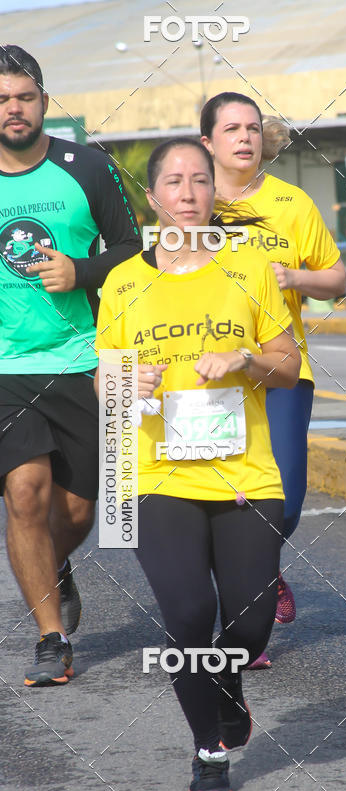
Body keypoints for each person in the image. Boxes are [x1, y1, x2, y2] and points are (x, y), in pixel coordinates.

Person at [95, 137, 300, 791]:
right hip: (160, 474)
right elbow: (106, 381)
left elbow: (288, 364)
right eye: (174, 183)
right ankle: (208, 751)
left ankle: (227, 680)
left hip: (246, 474)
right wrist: (130, 377)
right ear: (152, 198)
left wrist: (245, 359)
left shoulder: (250, 270)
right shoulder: (127, 280)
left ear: (215, 193)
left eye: (200, 181)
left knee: (249, 620)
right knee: (188, 612)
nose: (188, 194)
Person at [0, 45, 141, 686]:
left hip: (82, 359)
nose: (13, 109)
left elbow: (133, 248)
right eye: (2, 99)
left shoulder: (86, 166)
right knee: (25, 493)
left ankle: (54, 570)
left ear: (44, 101)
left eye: (24, 97)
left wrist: (81, 271)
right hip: (5, 366)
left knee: (79, 512)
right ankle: (50, 635)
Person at [200, 92, 346, 667]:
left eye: (254, 128)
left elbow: (337, 279)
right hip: (207, 375)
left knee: (284, 500)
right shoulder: (190, 202)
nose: (245, 138)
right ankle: (244, 620)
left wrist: (296, 277)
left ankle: (262, 567)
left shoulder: (292, 203)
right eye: (231, 128)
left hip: (282, 369)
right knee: (215, 498)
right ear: (207, 140)